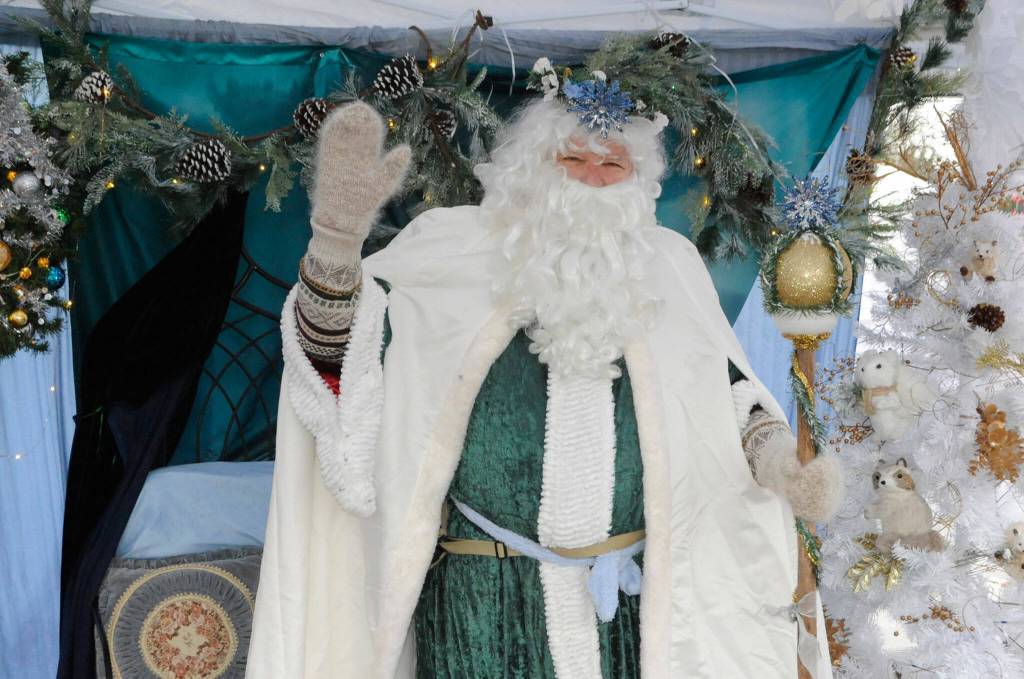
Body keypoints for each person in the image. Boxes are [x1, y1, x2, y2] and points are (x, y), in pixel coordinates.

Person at [247, 73, 842, 679]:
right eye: (574, 157)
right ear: (534, 165)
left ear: (639, 180)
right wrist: (335, 247)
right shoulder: (452, 250)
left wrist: (781, 468)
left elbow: (727, 397)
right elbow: (344, 356)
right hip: (481, 605)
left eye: (613, 164)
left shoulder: (666, 265)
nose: (591, 176)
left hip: (625, 615)